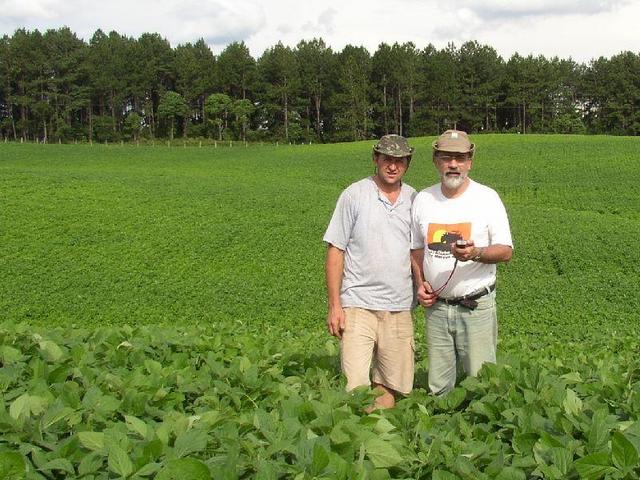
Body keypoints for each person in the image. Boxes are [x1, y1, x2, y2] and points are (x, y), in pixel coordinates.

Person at [410, 129, 513, 395]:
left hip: (475, 306)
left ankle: (482, 429)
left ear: (470, 162)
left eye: (460, 158)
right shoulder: (423, 199)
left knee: (483, 382)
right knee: (438, 385)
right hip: (437, 309)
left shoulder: (487, 198)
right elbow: (417, 249)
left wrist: (475, 253)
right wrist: (421, 283)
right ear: (436, 160)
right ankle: (442, 428)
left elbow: (505, 251)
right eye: (446, 157)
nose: (453, 164)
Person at [324, 134, 416, 410]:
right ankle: (361, 434)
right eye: (386, 159)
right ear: (376, 159)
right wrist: (335, 305)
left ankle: (375, 430)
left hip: (399, 307)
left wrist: (425, 285)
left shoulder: (415, 199)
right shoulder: (354, 194)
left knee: (393, 386)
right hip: (357, 306)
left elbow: (418, 253)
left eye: (399, 160)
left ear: (407, 164)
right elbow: (335, 250)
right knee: (356, 388)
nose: (392, 166)